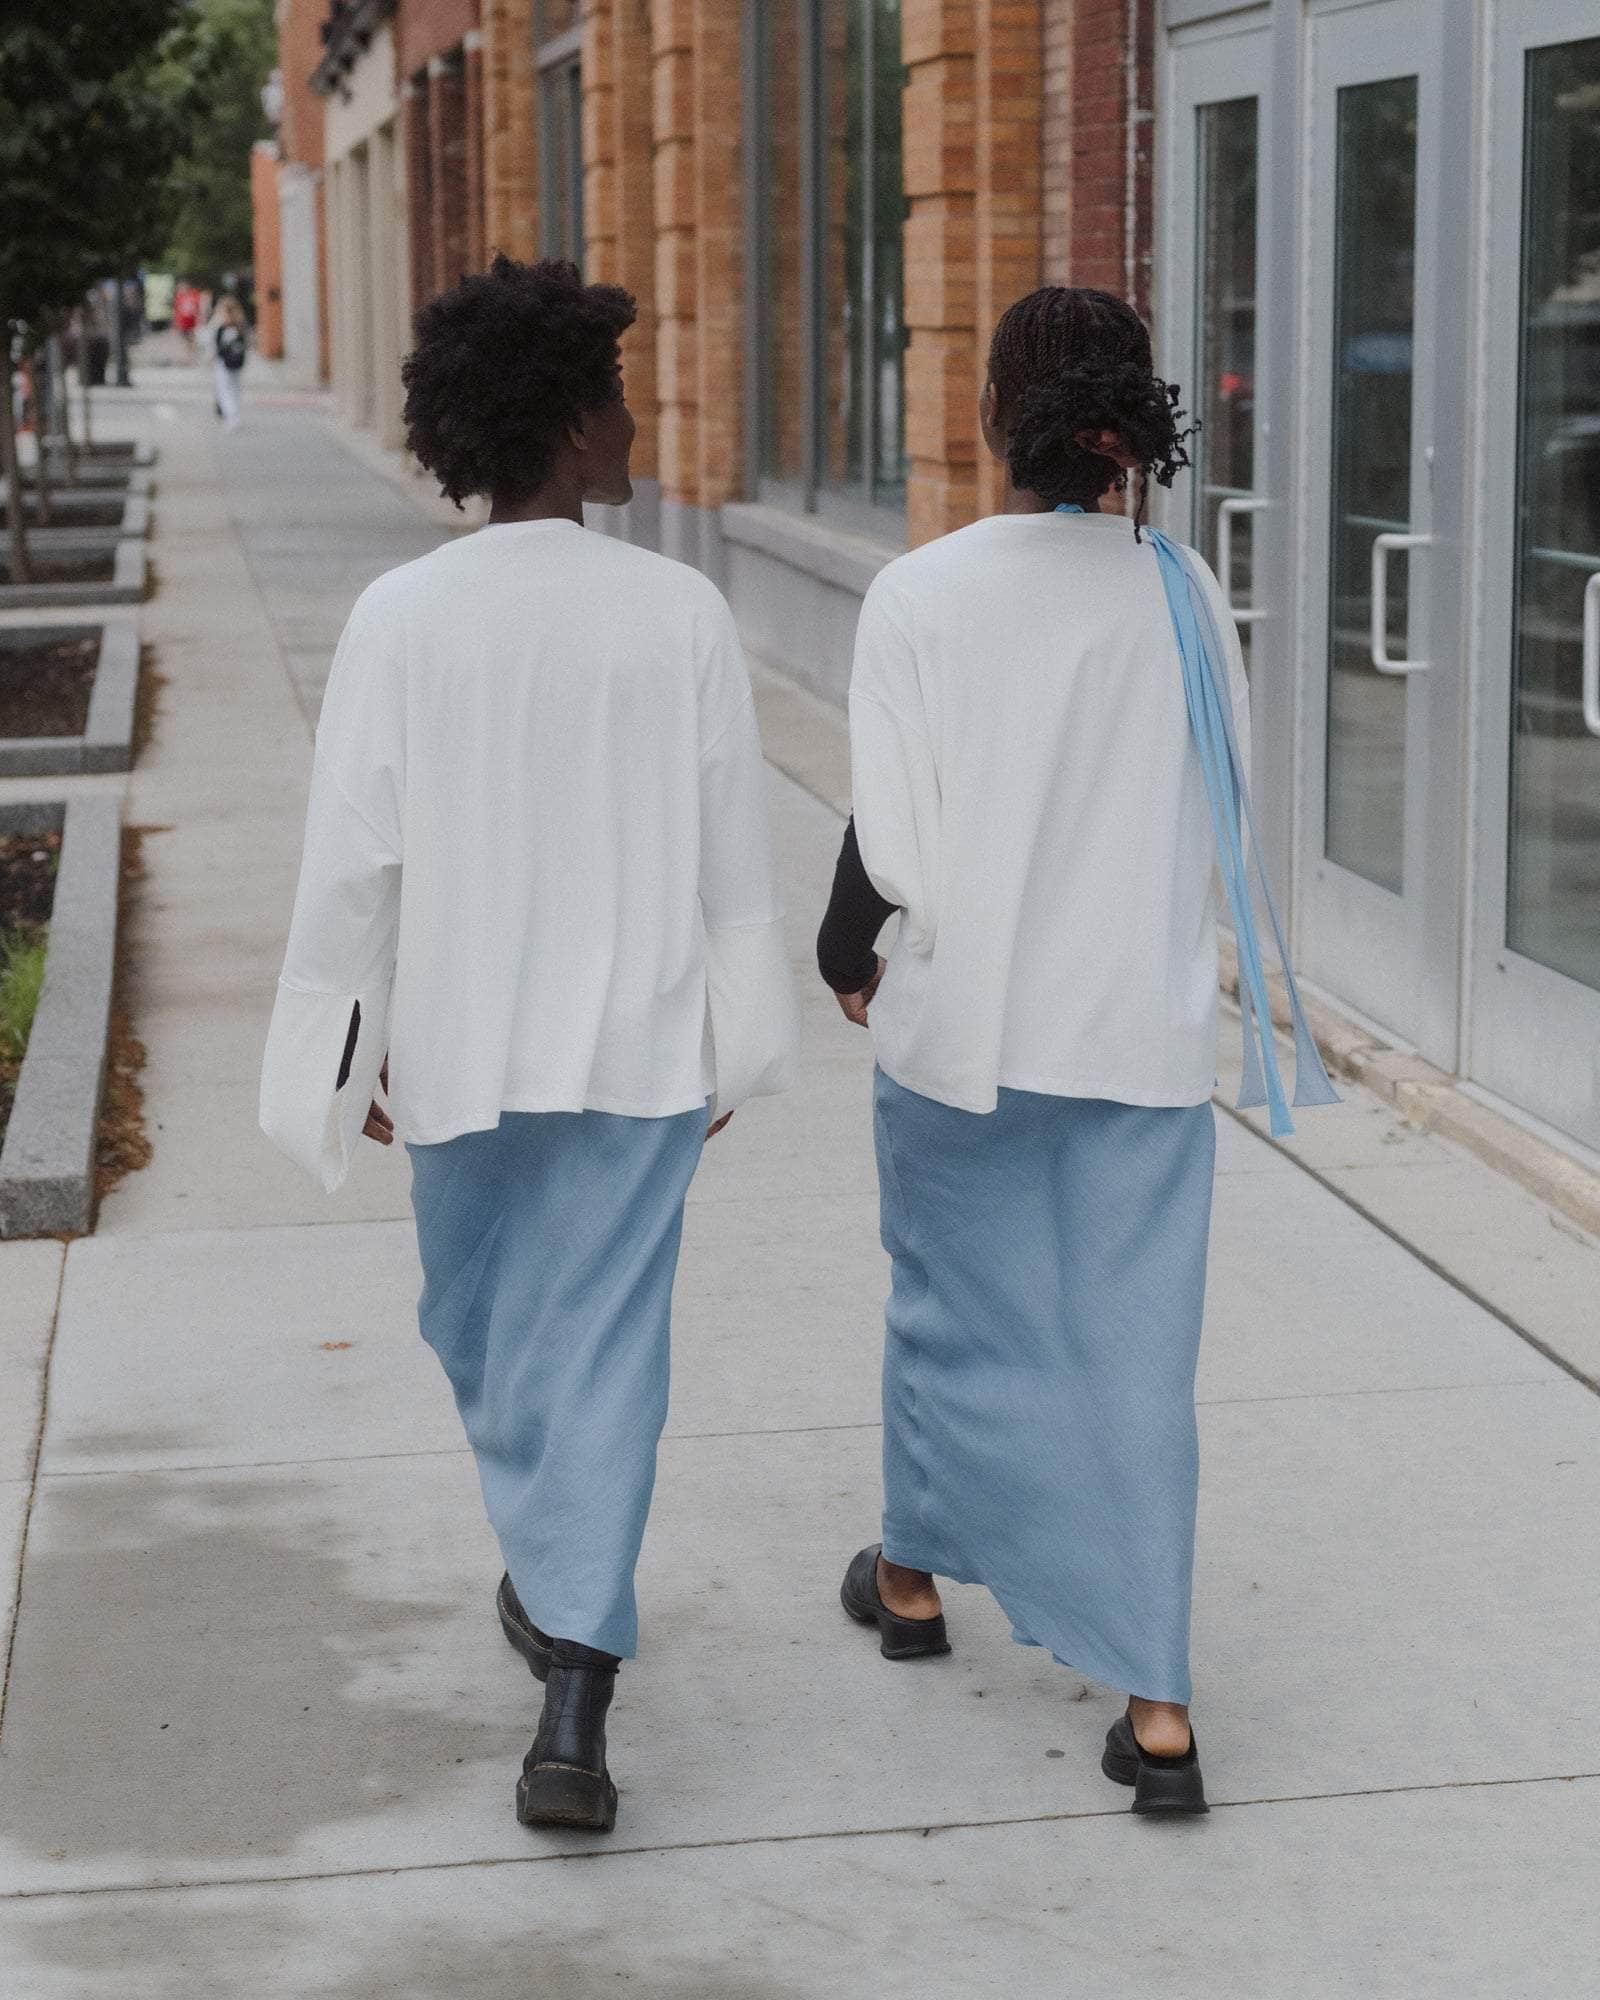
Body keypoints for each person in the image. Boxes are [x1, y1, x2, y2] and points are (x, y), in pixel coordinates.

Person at [259, 256, 798, 1834]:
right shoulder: (672, 612)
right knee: (550, 1350)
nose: (636, 421)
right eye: (615, 396)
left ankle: (578, 1685)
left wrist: (347, 1045)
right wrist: (733, 1037)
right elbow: (736, 866)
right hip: (623, 1051)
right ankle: (564, 1579)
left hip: (471, 1049)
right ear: (565, 424)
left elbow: (350, 866)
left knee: (505, 1339)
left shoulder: (407, 620)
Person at [816, 286, 1335, 1817]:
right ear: (1133, 429)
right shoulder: (1185, 592)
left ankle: (914, 1582)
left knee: (951, 1320)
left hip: (964, 1035)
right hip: (1137, 1033)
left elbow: (890, 836)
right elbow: (1219, 803)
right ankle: (1157, 1709)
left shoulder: (921, 595)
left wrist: (844, 960)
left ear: (998, 416)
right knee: (1132, 1364)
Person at [207, 294, 248, 430]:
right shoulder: (239, 326)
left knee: (225, 390)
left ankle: (231, 416)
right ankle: (234, 415)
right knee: (234, 389)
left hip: (225, 363)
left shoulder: (225, 329)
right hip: (237, 364)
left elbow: (218, 347)